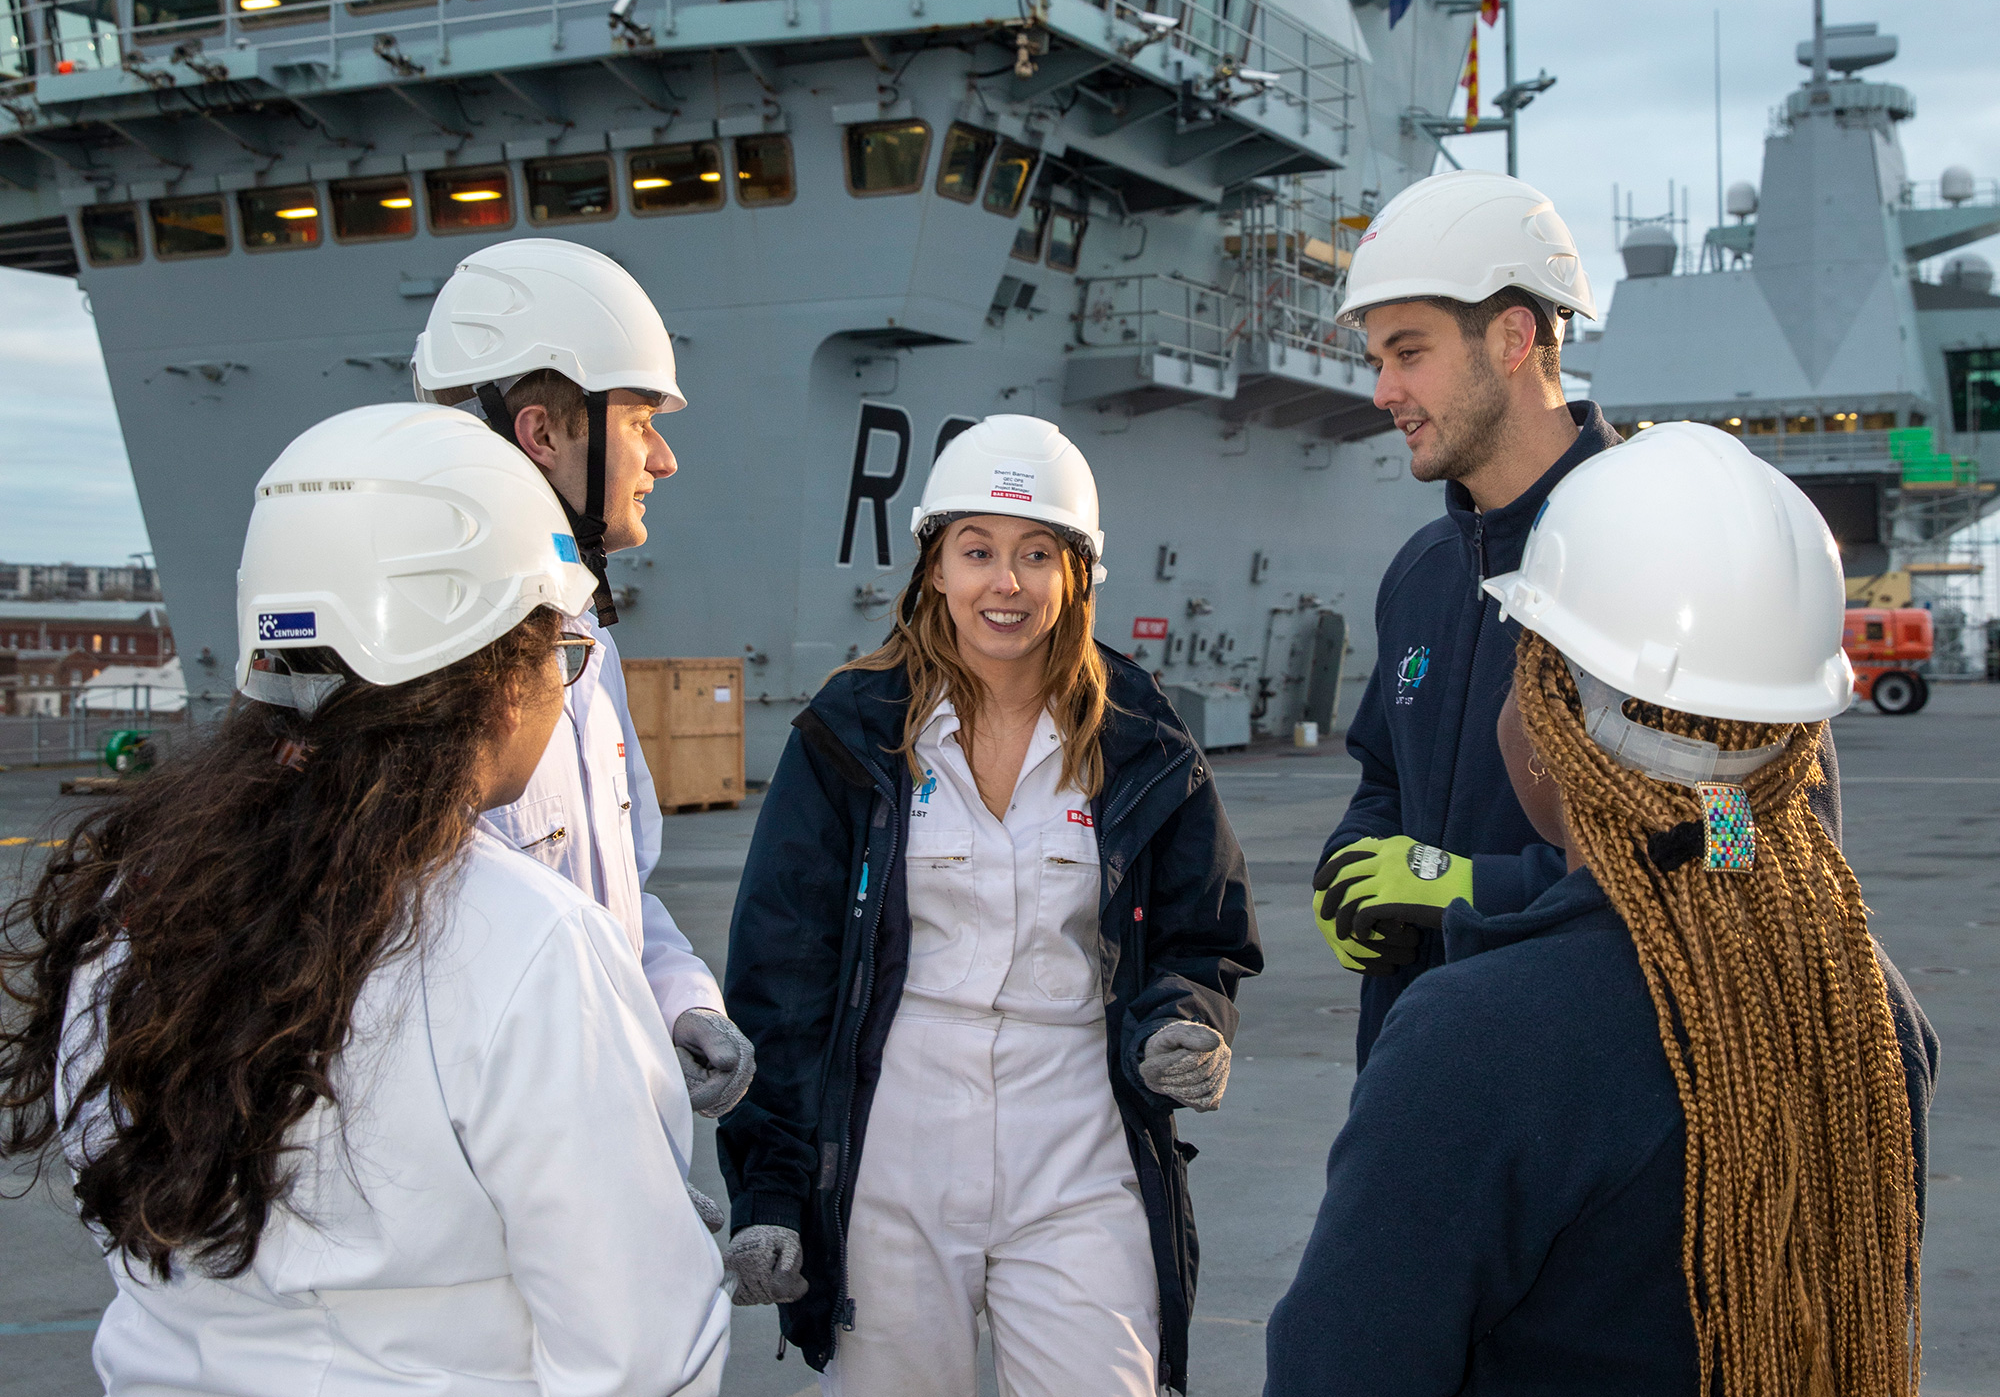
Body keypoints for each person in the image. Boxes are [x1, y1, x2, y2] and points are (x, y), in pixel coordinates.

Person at [0, 404, 730, 1395]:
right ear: (499, 678)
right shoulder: (530, 942)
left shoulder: (132, 910)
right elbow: (642, 1346)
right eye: (560, 654)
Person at [1266, 423, 1935, 1397]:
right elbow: (1721, 833)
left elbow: (1341, 1367)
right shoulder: (1866, 1009)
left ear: (1547, 725)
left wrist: (1476, 888)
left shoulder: (1473, 1045)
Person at [716, 415, 1262, 1396]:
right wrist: (770, 1187)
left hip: (1077, 1142)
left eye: (1034, 554)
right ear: (934, 568)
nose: (1003, 584)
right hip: (896, 1145)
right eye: (977, 552)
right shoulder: (849, 734)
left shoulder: (1141, 738)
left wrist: (1185, 1020)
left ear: (1074, 576)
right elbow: (780, 978)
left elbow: (1200, 931)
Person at [1309, 171, 1842, 1068]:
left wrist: (1476, 887)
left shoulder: (1680, 546)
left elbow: (1752, 838)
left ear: (1514, 337)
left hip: (1604, 1090)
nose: (1381, 391)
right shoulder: (1424, 574)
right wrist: (1355, 859)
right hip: (1424, 1073)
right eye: (1377, 360)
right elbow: (1384, 777)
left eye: (1408, 352)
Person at [413, 238, 753, 1117]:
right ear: (541, 433)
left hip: (600, 1125)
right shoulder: (421, 671)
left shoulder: (579, 644)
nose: (663, 459)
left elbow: (612, 898)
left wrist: (681, 1002)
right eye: (641, 421)